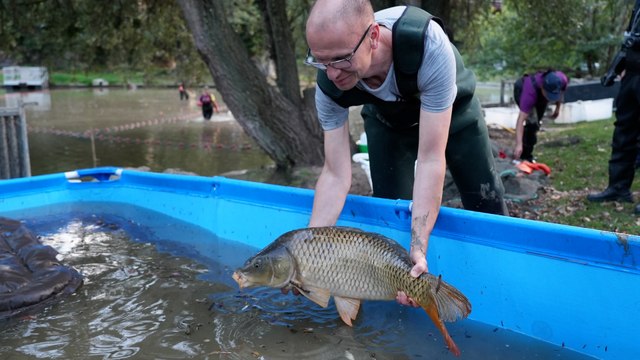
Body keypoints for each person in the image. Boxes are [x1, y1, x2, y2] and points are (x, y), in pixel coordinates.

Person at [303, 0, 508, 304]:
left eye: (340, 59)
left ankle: (501, 281)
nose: (332, 74)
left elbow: (430, 159)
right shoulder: (329, 86)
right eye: (321, 62)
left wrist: (420, 243)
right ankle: (406, 285)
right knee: (391, 210)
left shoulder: (426, 44)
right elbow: (335, 174)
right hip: (388, 123)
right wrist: (307, 255)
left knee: (486, 199)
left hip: (456, 117)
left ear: (373, 36)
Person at [587, 0, 640, 212]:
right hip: (633, 72)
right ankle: (618, 187)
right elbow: (630, 35)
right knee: (624, 130)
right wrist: (616, 68)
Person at [512, 70, 569, 161]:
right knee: (532, 123)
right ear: (542, 87)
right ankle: (523, 155)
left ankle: (528, 152)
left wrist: (558, 108)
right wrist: (519, 145)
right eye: (549, 95)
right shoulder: (529, 93)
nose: (550, 99)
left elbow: (561, 93)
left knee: (536, 124)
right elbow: (520, 120)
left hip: (540, 94)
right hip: (522, 89)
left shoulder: (562, 80)